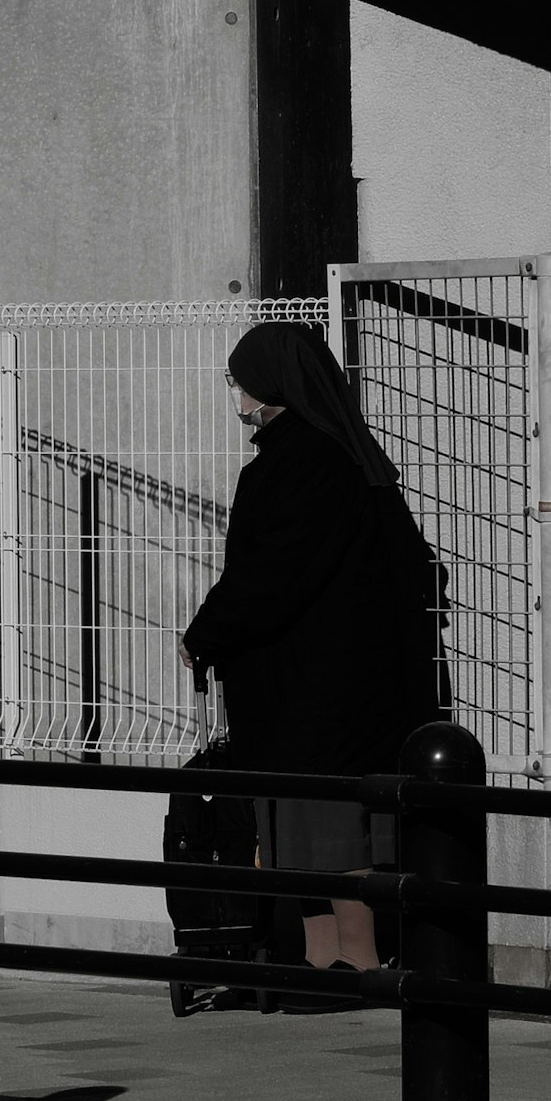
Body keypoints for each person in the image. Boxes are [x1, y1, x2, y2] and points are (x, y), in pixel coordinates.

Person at [179, 320, 443, 977]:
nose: (235, 392)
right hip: (350, 687)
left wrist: (205, 635)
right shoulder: (351, 459)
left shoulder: (297, 466)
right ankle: (324, 967)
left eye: (239, 380)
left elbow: (267, 576)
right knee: (315, 828)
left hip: (312, 691)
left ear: (268, 386)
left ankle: (356, 962)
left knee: (322, 829)